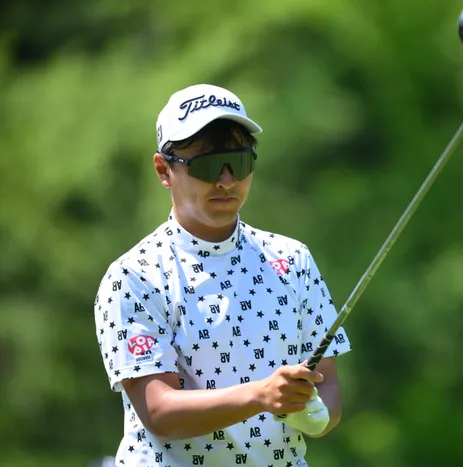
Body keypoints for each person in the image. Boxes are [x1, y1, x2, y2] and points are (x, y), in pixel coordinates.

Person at [93, 83, 352, 467]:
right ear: (164, 170)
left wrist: (315, 414)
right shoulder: (134, 276)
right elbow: (159, 413)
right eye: (208, 165)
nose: (227, 181)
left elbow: (327, 384)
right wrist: (260, 396)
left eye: (240, 163)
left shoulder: (292, 260)